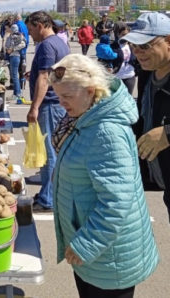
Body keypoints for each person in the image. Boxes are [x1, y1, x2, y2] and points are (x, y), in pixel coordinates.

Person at [49, 53, 159, 298]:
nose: (61, 103)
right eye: (58, 96)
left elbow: (116, 202)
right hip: (96, 252)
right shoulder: (87, 117)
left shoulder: (106, 132)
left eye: (66, 96)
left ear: (90, 90)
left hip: (108, 256)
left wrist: (85, 244)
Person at [120, 12, 170, 221]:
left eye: (145, 45)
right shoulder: (148, 72)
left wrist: (167, 133)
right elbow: (142, 116)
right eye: (134, 46)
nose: (138, 53)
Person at [25, 10, 70, 212]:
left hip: (50, 105)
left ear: (40, 25)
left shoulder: (46, 46)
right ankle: (48, 192)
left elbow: (44, 77)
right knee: (53, 151)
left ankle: (47, 199)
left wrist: (34, 107)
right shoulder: (60, 42)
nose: (30, 34)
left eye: (31, 29)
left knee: (49, 152)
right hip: (57, 103)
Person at [111, 24, 137, 94]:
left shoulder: (133, 46)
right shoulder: (112, 46)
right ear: (118, 34)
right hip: (117, 77)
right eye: (123, 34)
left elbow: (137, 60)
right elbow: (104, 60)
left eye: (127, 35)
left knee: (128, 98)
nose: (125, 37)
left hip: (130, 76)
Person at [5, 24, 26, 101]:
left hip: (15, 56)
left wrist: (12, 49)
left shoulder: (17, 36)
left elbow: (23, 45)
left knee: (14, 76)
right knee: (14, 75)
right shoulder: (14, 36)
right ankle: (16, 93)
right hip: (13, 56)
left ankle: (17, 94)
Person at [14, 14, 29, 89]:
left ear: (16, 18)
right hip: (24, 49)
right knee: (23, 68)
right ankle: (23, 84)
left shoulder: (17, 25)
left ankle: (19, 86)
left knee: (18, 69)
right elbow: (27, 38)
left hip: (19, 50)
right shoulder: (24, 25)